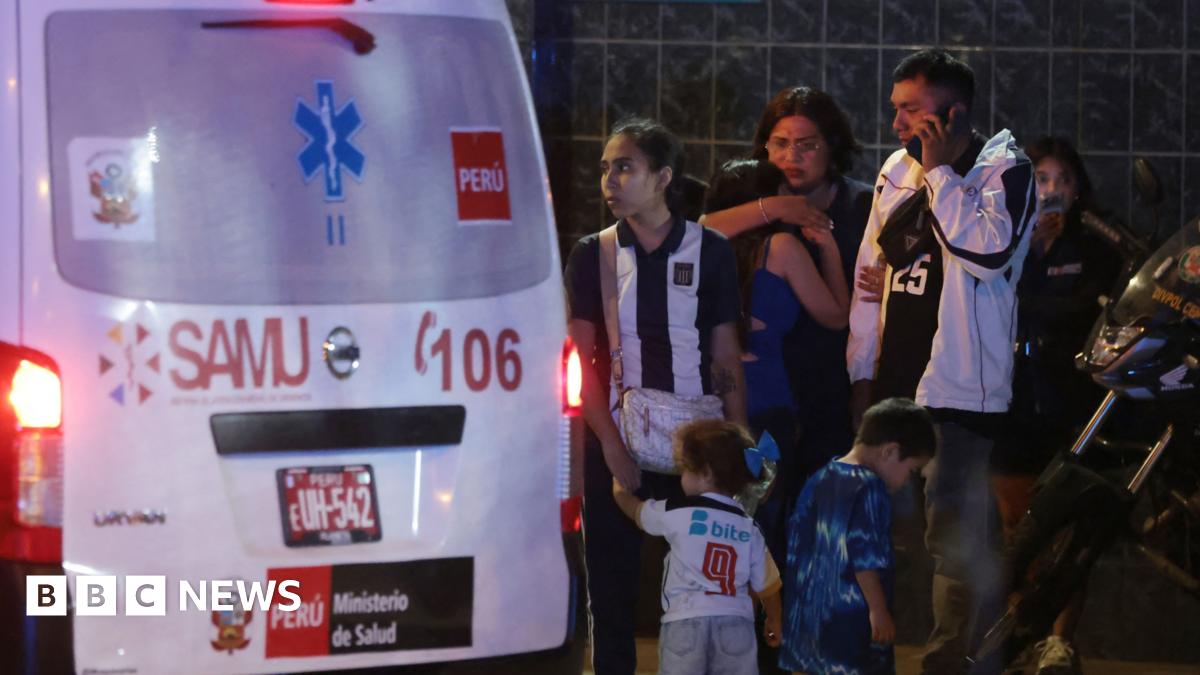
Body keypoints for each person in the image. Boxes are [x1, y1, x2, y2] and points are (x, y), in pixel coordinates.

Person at [845, 49, 1037, 674]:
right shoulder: (897, 168)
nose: (897, 123)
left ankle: (953, 662)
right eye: (895, 107)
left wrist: (939, 174)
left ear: (952, 113)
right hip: (899, 382)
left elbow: (985, 253)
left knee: (955, 535)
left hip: (960, 390)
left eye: (911, 110)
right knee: (884, 525)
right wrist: (861, 368)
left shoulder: (1003, 170)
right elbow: (871, 273)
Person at [564, 117, 746, 675]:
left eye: (625, 167)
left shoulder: (709, 249)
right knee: (612, 591)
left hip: (699, 444)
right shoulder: (592, 253)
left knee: (703, 594)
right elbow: (580, 360)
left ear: (663, 176)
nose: (610, 180)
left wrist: (741, 442)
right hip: (619, 438)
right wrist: (612, 448)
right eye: (605, 168)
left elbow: (724, 355)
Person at [991, 138, 1120, 675]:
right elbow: (993, 298)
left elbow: (1091, 309)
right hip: (1013, 399)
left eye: (1063, 179)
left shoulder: (1093, 243)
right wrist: (1029, 251)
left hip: (1070, 401)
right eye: (1042, 179)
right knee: (1016, 526)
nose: (1053, 191)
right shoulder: (1003, 234)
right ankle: (1020, 632)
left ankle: (1061, 642)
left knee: (1068, 530)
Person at [703, 85, 872, 493]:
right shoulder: (756, 205)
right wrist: (776, 208)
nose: (790, 156)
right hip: (760, 384)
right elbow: (697, 231)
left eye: (806, 144)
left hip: (832, 378)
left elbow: (846, 310)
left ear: (831, 146)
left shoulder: (862, 206)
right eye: (779, 143)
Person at [703, 157, 849, 560]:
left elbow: (698, 226)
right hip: (768, 400)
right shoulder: (780, 248)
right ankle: (768, 616)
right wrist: (829, 249)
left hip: (711, 398)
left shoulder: (703, 249)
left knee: (715, 516)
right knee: (766, 518)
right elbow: (836, 315)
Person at [611, 419, 783, 675]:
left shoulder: (678, 512)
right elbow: (768, 584)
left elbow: (638, 513)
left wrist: (619, 490)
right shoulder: (749, 526)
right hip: (736, 626)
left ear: (705, 474)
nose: (682, 477)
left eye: (686, 470)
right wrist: (774, 619)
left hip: (685, 625)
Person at [780, 397, 937, 675]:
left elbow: (797, 545)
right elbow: (864, 555)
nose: (906, 481)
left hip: (808, 623)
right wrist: (878, 610)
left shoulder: (820, 477)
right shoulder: (870, 488)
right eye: (911, 470)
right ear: (890, 451)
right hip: (851, 625)